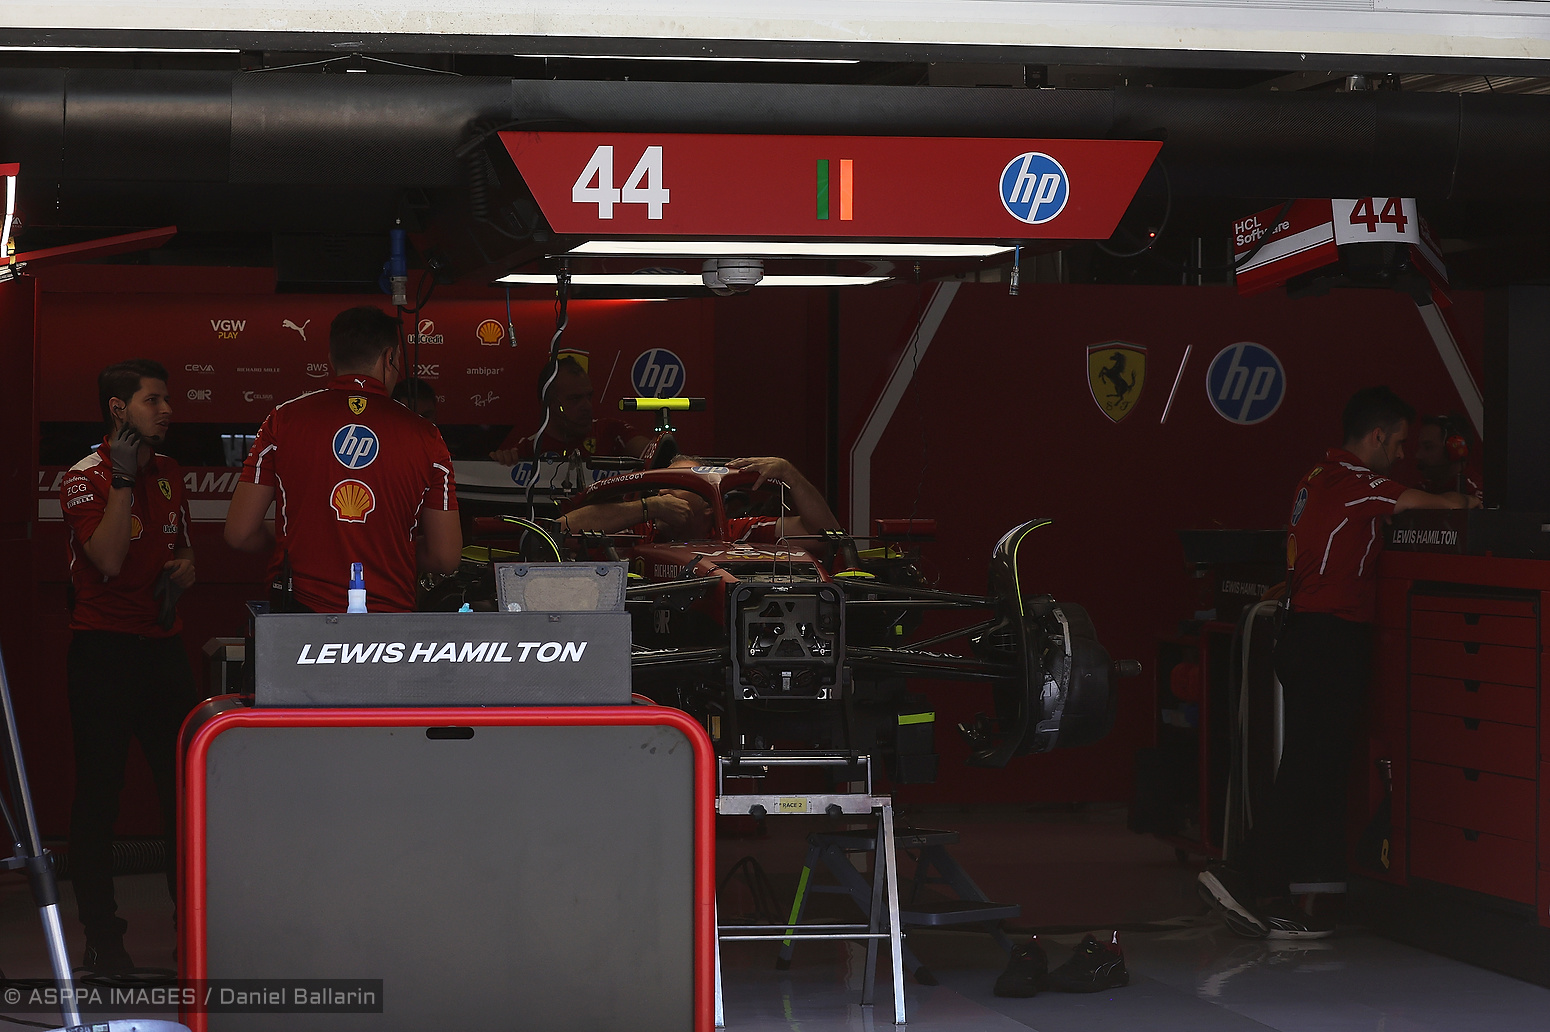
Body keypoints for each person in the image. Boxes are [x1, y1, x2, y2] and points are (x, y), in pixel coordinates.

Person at [1199, 386, 1480, 939]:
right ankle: (1248, 879)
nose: (1401, 454)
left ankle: (1261, 885)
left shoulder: (1317, 477)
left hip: (1306, 633)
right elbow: (1440, 506)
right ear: (1376, 435)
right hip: (1328, 638)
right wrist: (1476, 501)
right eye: (1398, 442)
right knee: (1310, 770)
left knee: (1312, 767)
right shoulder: (1355, 483)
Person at [59, 359, 198, 973]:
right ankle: (103, 942)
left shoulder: (169, 471)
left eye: (167, 399)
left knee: (185, 795)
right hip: (103, 653)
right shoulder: (83, 477)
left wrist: (186, 568)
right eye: (152, 400)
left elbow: (183, 545)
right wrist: (121, 476)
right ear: (118, 409)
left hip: (163, 650)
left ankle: (191, 932)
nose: (167, 410)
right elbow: (110, 559)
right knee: (98, 799)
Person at [225, 306, 462, 613]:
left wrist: (291, 536)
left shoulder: (283, 420)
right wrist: (390, 549)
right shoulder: (427, 436)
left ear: (331, 359)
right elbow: (445, 557)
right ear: (389, 358)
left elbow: (240, 534)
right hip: (388, 616)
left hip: (301, 611)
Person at [561, 455, 841, 542]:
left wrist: (790, 474)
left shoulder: (738, 533)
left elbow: (825, 534)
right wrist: (647, 507)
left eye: (676, 485)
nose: (662, 492)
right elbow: (561, 529)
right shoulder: (637, 530)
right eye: (660, 486)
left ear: (709, 505)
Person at [489, 356, 652, 465]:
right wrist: (501, 462)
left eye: (589, 396)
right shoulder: (528, 449)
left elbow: (652, 453)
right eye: (575, 399)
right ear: (548, 404)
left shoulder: (611, 431)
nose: (587, 406)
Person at [1413, 414, 1482, 500]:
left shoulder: (1476, 495)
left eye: (1428, 447)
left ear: (1455, 450)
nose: (1418, 455)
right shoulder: (1421, 490)